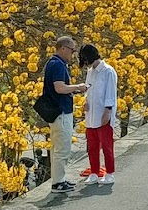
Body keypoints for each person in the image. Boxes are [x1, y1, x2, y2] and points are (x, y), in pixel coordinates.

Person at [43, 36, 88, 192]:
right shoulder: (58, 65)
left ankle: (59, 179)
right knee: (63, 148)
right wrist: (78, 86)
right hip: (61, 112)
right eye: (71, 50)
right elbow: (59, 88)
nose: (73, 54)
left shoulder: (53, 63)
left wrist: (74, 89)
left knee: (58, 148)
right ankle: (58, 183)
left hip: (57, 112)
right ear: (63, 48)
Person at [79, 44, 118, 186]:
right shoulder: (90, 72)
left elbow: (110, 93)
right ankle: (94, 172)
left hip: (103, 113)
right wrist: (85, 101)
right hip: (91, 114)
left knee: (107, 146)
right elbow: (89, 90)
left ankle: (109, 172)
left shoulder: (108, 71)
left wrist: (108, 111)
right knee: (92, 146)